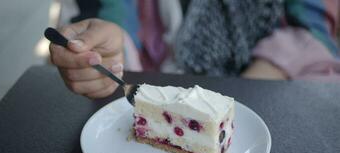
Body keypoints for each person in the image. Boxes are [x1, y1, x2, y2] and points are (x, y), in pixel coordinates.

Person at [49, 0, 340, 99]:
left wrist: (236, 96)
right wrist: (110, 49)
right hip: (147, 87)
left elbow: (313, 26)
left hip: (271, 89)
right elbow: (112, 13)